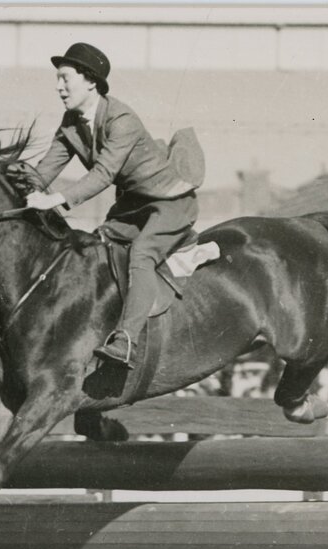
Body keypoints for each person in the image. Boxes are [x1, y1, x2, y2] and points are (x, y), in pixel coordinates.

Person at [24, 43, 203, 368]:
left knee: (142, 254)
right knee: (97, 248)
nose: (58, 86)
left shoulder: (122, 118)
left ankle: (127, 340)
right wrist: (16, 182)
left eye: (65, 78)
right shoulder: (70, 122)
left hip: (171, 203)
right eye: (57, 79)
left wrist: (55, 199)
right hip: (133, 207)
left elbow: (104, 172)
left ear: (90, 80)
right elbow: (44, 171)